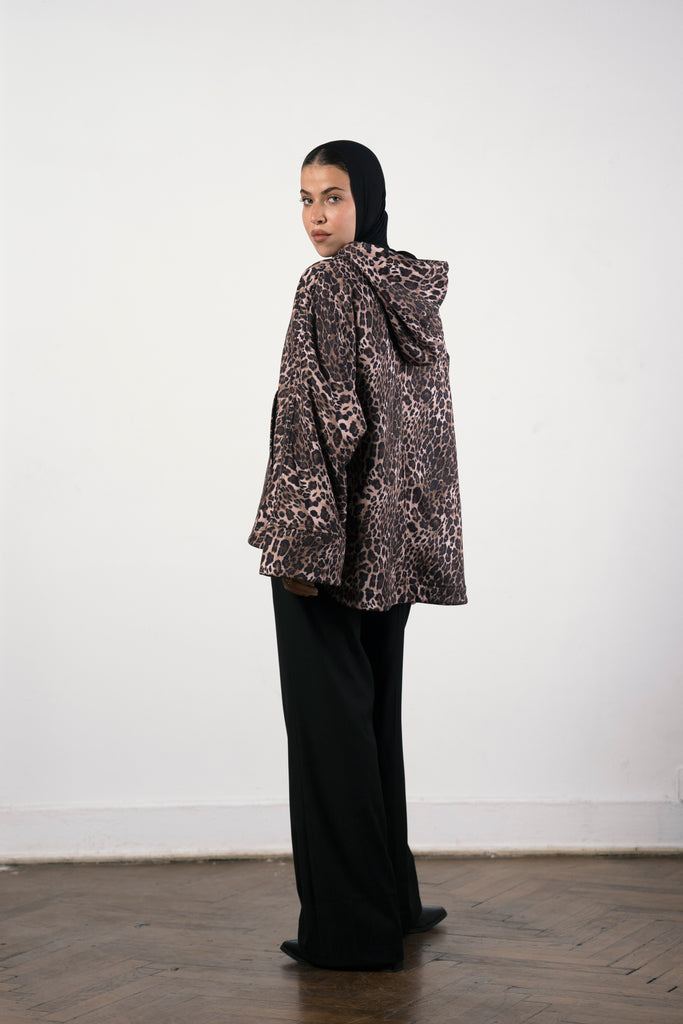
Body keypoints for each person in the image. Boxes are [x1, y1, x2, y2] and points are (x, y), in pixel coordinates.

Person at [248, 140, 466, 972]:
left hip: (330, 546)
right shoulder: (405, 289)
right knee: (373, 725)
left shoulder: (327, 286)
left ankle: (349, 933)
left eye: (332, 197)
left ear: (365, 200)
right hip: (394, 546)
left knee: (329, 739)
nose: (315, 217)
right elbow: (421, 425)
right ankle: (394, 903)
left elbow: (317, 419)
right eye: (304, 200)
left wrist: (300, 547)